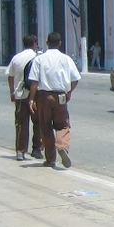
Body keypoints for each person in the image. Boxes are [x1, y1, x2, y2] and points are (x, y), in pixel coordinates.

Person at [28, 32, 81, 169]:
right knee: (63, 124)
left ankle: (50, 159)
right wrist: (69, 92)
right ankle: (62, 146)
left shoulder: (39, 59)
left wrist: (31, 100)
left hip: (44, 96)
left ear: (47, 43)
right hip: (60, 96)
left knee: (45, 127)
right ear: (60, 43)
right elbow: (75, 79)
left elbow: (34, 81)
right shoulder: (66, 59)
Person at [5, 34, 42, 161]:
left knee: (21, 124)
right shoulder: (38, 58)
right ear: (35, 43)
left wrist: (12, 92)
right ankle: (37, 149)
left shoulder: (16, 58)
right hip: (36, 96)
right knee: (38, 122)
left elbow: (10, 76)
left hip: (20, 95)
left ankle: (20, 151)